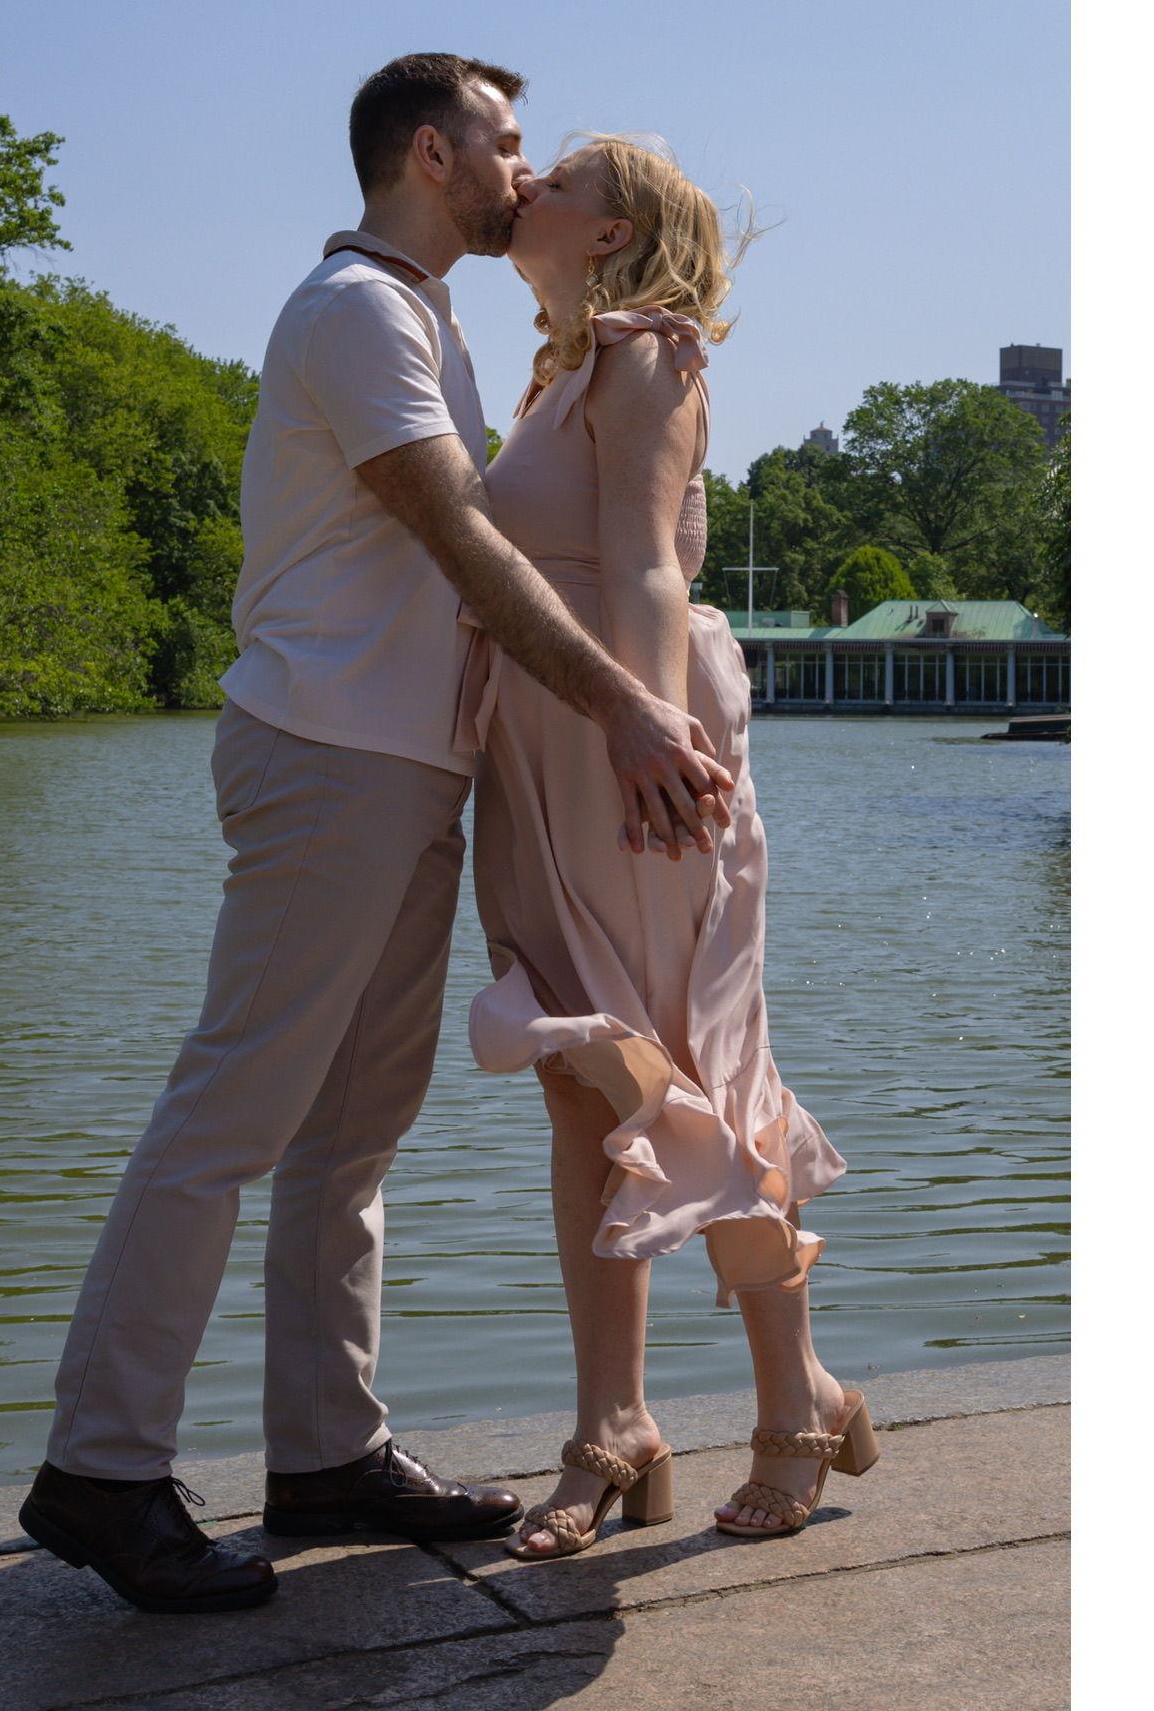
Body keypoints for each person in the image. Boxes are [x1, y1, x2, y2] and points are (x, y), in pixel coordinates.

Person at [19, 59, 739, 1614]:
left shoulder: (435, 320)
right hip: (330, 755)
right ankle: (102, 1466)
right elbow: (459, 533)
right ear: (434, 151)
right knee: (230, 1117)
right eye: (505, 142)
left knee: (351, 1137)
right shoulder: (353, 311)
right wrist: (627, 709)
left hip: (413, 768)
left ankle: (326, 1451)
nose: (522, 168)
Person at [464, 136, 872, 1562]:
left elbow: (643, 560)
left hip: (632, 747)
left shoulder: (650, 353)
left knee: (696, 1072)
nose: (529, 189)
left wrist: (644, 741)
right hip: (541, 750)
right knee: (588, 1085)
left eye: (557, 173)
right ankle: (616, 1426)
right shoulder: (553, 373)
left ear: (613, 225)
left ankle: (791, 1408)